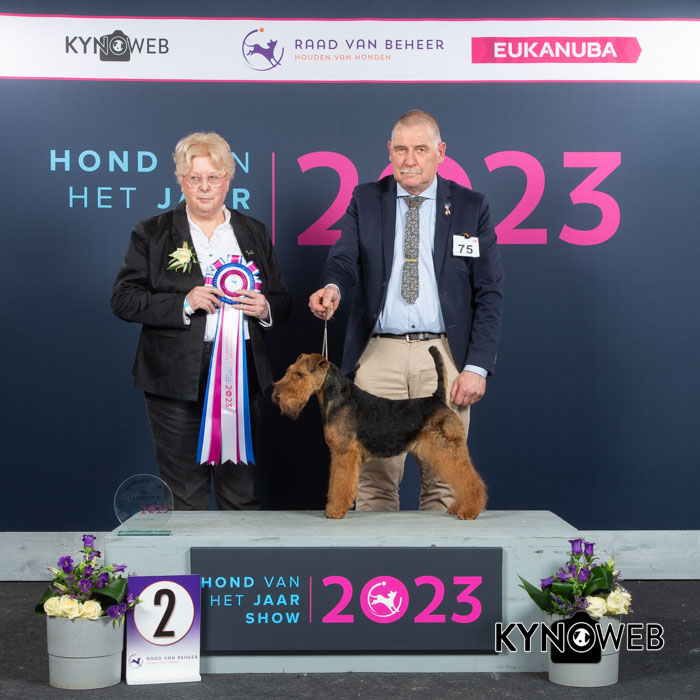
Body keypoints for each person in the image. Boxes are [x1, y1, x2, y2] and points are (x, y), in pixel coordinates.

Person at [309, 110, 503, 513]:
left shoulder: (471, 207)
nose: (409, 160)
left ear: (440, 152)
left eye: (420, 149)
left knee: (444, 483)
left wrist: (477, 367)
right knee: (374, 484)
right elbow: (343, 259)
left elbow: (489, 291)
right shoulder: (366, 199)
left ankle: (440, 555)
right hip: (380, 354)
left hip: (445, 355)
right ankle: (380, 557)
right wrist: (331, 287)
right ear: (389, 151)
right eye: (400, 149)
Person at [112, 131, 292, 510]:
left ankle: (238, 552)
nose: (205, 187)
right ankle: (187, 553)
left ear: (228, 179)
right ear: (181, 180)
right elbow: (124, 299)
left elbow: (281, 298)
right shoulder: (152, 232)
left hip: (240, 375)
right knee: (185, 497)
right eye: (195, 178)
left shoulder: (254, 231)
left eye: (214, 177)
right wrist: (184, 301)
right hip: (173, 377)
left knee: (240, 495)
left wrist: (265, 308)